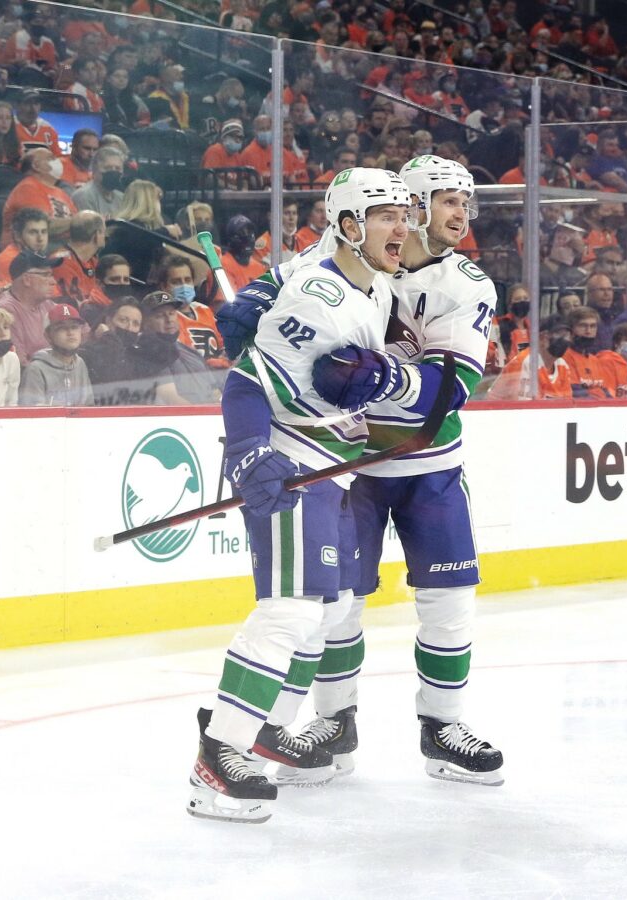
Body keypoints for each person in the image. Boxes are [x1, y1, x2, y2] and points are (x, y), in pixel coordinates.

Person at [216, 158, 506, 786]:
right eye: (450, 202)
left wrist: (385, 377)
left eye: (466, 203)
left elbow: (451, 388)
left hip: (430, 465)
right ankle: (324, 723)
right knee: (333, 605)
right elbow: (297, 282)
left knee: (451, 601)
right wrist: (258, 296)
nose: (462, 216)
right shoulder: (362, 252)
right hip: (356, 464)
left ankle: (443, 727)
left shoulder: (466, 285)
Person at [187, 168, 412, 824]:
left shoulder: (371, 290)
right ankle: (217, 758)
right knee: (288, 612)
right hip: (295, 469)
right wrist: (251, 452)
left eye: (405, 214)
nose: (402, 227)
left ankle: (261, 731)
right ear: (347, 226)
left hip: (332, 472)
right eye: (384, 215)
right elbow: (246, 382)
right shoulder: (322, 294)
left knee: (332, 609)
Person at [137, 289, 220, 405]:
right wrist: (201, 416)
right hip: (176, 420)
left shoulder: (190, 351)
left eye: (171, 313)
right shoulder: (148, 351)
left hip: (205, 416)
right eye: (160, 316)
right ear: (145, 322)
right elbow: (171, 399)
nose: (169, 320)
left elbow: (215, 392)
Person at [18, 302, 93, 406]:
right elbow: (32, 416)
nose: (70, 332)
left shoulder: (80, 363)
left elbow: (88, 406)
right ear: (48, 336)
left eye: (75, 327)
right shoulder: (36, 369)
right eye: (62, 328)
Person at [0, 148, 76, 247]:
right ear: (36, 165)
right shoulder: (27, 188)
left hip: (58, 247)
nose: (58, 161)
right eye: (51, 158)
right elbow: (43, 226)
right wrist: (79, 222)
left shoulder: (60, 192)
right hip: (26, 253)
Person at [487, 313, 573, 400]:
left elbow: (567, 403)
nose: (565, 340)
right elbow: (525, 408)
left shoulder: (562, 365)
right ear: (542, 337)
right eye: (560, 335)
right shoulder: (526, 361)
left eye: (567, 336)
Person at [0, 251, 59, 364]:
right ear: (26, 279)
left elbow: (82, 335)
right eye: (46, 275)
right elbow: (21, 364)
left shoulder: (47, 304)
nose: (53, 282)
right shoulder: (6, 311)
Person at [51, 211, 108, 308]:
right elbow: (74, 304)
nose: (106, 236)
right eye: (103, 232)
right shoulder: (62, 262)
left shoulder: (92, 261)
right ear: (97, 235)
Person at [564, 306, 613, 398]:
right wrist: (596, 393)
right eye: (583, 326)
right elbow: (574, 392)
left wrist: (596, 393)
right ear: (571, 329)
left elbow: (607, 393)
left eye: (593, 326)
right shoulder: (564, 357)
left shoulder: (595, 360)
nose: (588, 331)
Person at [71, 146, 126, 218]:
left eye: (117, 168)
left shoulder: (121, 198)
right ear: (94, 170)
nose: (113, 171)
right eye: (107, 168)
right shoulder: (84, 196)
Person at [0, 207, 49, 280]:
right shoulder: (9, 261)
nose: (40, 238)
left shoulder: (37, 255)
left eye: (44, 232)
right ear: (18, 236)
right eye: (33, 232)